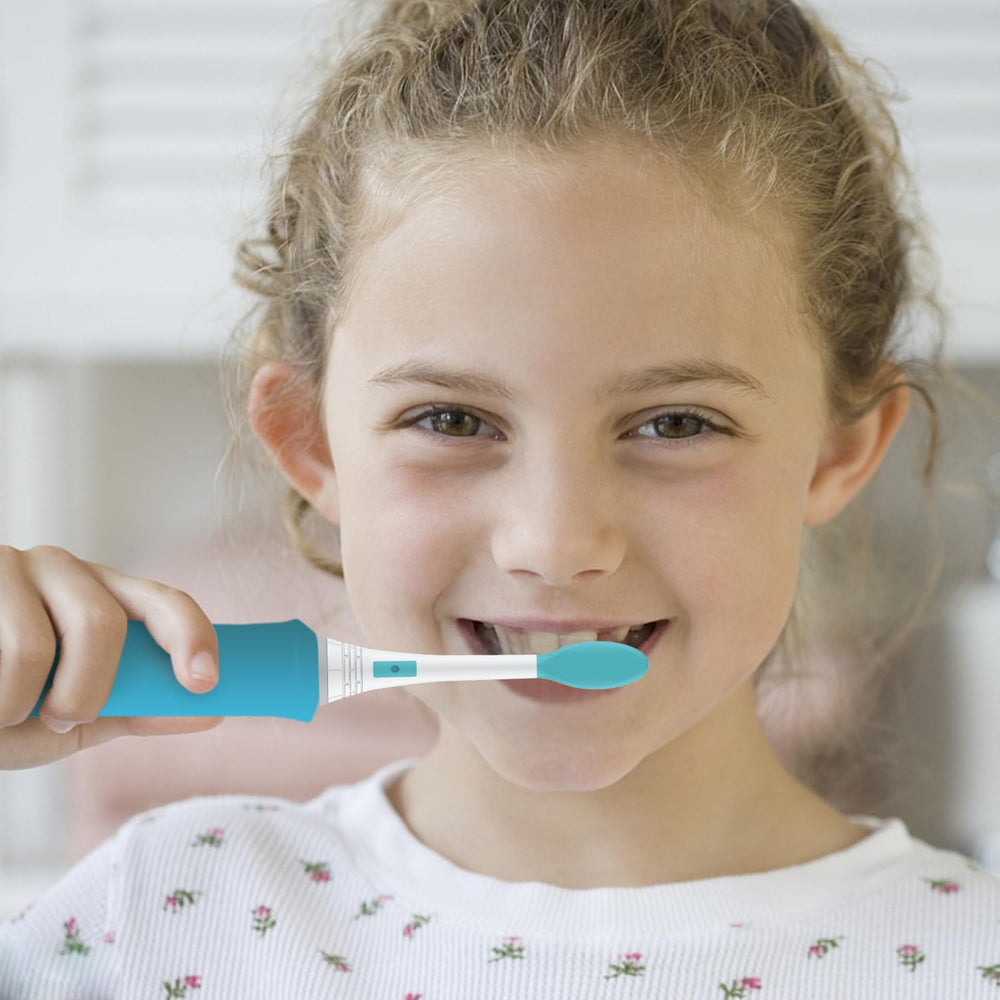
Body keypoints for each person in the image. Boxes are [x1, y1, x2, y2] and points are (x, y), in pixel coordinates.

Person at [2, 0, 998, 995]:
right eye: (452, 420)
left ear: (837, 451)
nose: (556, 544)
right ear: (310, 443)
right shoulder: (155, 918)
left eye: (675, 424)